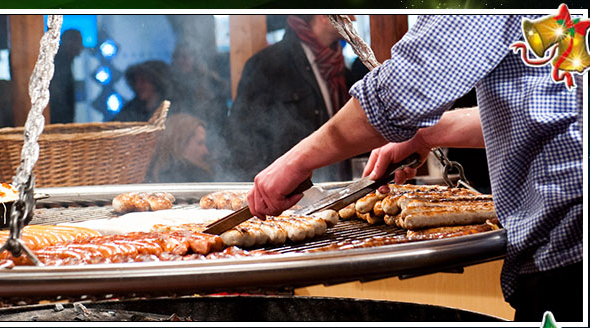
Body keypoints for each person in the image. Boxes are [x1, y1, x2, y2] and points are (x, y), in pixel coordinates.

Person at [247, 15, 582, 322]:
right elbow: (544, 112)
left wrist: (295, 161)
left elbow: (401, 92)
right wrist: (426, 134)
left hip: (571, 250)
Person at [224, 15, 367, 182]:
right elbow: (241, 140)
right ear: (323, 16)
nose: (353, 19)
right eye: (345, 11)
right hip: (292, 194)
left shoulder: (340, 67)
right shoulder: (268, 65)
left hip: (338, 190)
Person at [147, 113, 213, 183]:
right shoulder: (198, 176)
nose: (206, 151)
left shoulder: (148, 172)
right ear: (180, 144)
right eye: (200, 143)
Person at [49, 29, 84, 124]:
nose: (81, 47)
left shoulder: (65, 62)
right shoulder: (58, 64)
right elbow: (58, 99)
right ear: (68, 42)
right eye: (78, 42)